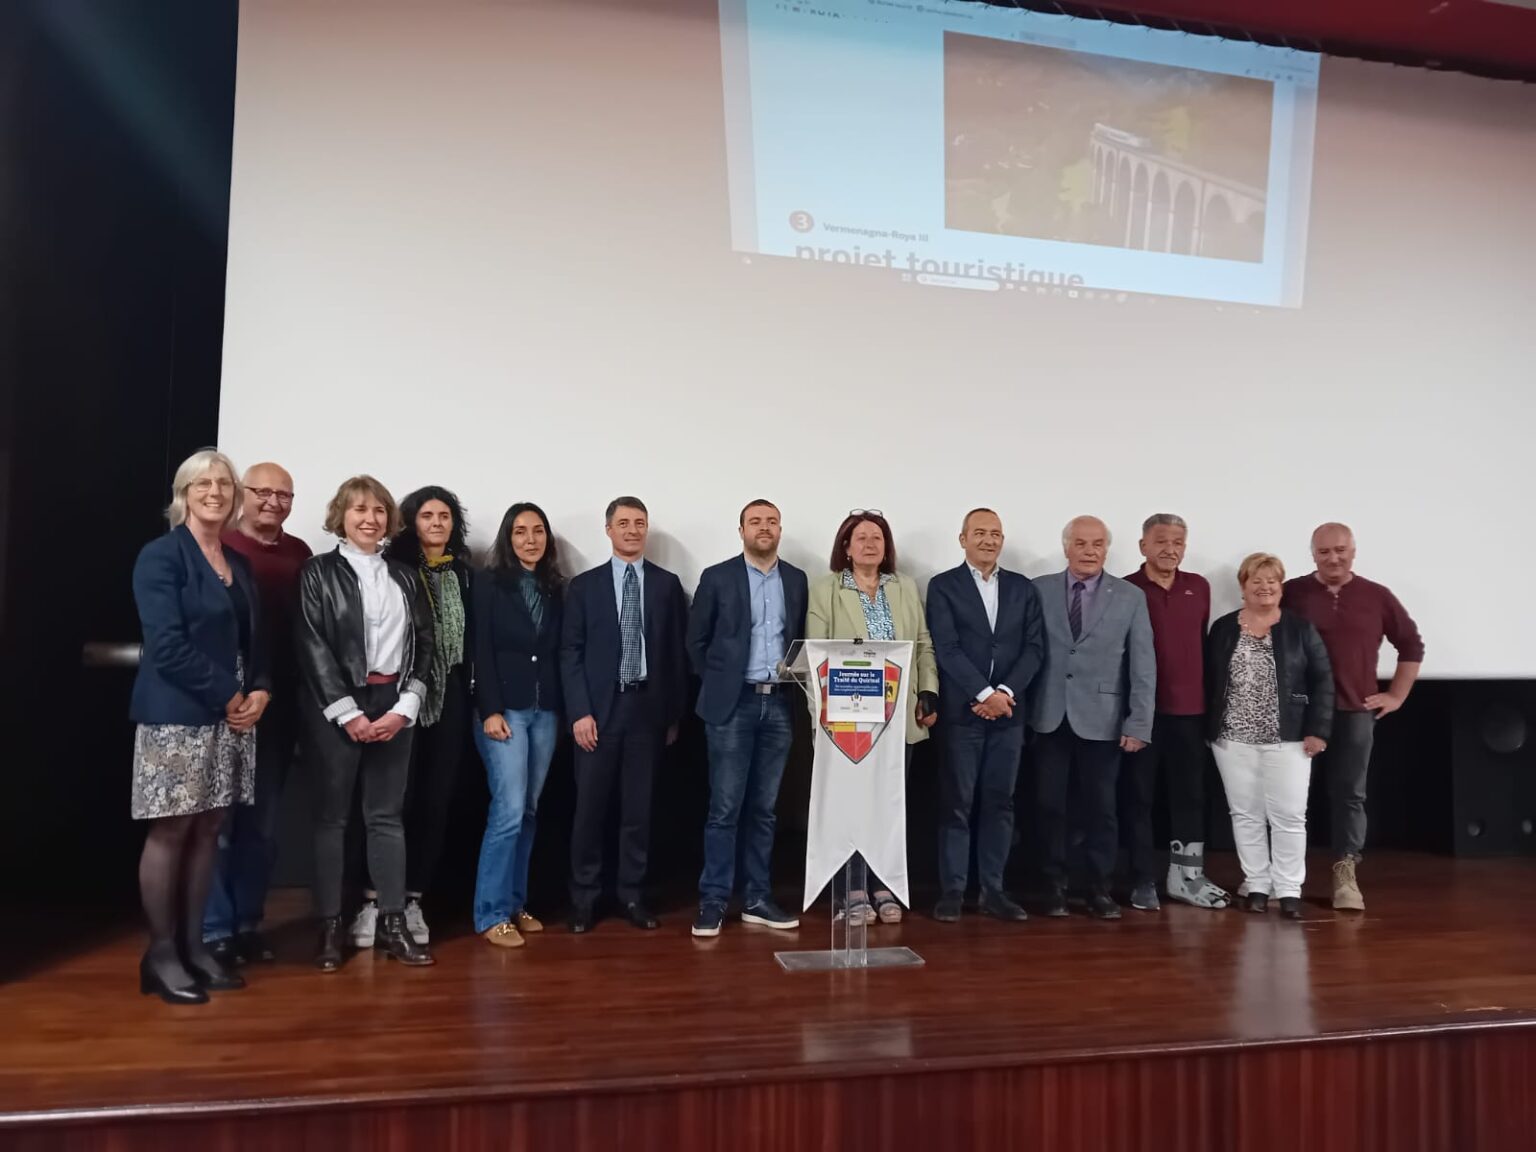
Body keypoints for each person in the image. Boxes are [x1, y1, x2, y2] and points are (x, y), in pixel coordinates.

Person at [130, 449, 268, 1004]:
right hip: (179, 711)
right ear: (183, 493)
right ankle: (161, 954)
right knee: (172, 831)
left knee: (210, 828)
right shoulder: (161, 557)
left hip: (233, 716)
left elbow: (255, 639)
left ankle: (194, 946)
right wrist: (230, 692)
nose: (215, 491)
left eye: (224, 484)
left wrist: (260, 689)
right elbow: (165, 645)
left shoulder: (241, 562)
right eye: (202, 483)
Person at [298, 476, 435, 970]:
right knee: (333, 820)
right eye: (359, 509)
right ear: (342, 515)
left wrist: (404, 708)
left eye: (378, 510)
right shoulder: (317, 572)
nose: (369, 518)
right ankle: (331, 928)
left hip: (394, 702)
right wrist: (349, 714)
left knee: (386, 818)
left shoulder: (403, 575)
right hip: (337, 706)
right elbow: (313, 647)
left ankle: (393, 925)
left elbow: (424, 644)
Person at [346, 486, 472, 949]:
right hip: (398, 697)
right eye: (427, 516)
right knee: (390, 802)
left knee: (435, 802)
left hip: (451, 698)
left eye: (445, 516)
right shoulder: (395, 572)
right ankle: (374, 899)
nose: (437, 523)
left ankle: (413, 898)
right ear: (411, 523)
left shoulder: (464, 574)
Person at [561, 496, 689, 933]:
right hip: (598, 711)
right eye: (624, 523)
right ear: (608, 530)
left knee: (639, 811)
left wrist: (672, 713)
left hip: (647, 711)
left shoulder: (667, 585)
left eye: (640, 523)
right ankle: (584, 900)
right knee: (590, 810)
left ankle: (632, 895)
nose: (633, 530)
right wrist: (579, 711)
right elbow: (570, 653)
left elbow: (675, 652)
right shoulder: (584, 586)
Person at [805, 510, 940, 925]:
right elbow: (814, 652)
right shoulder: (826, 588)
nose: (869, 544)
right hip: (846, 719)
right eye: (860, 537)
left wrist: (929, 690)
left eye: (877, 538)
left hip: (898, 714)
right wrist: (819, 715)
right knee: (851, 805)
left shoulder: (904, 587)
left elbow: (922, 643)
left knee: (888, 802)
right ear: (845, 547)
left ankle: (886, 883)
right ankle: (851, 888)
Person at [203, 462, 311, 967]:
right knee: (218, 825)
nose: (273, 501)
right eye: (263, 492)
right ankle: (215, 929)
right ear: (242, 494)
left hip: (278, 705)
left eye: (283, 494)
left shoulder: (300, 555)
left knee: (262, 828)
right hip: (221, 707)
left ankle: (247, 923)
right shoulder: (217, 547)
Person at [1283, 523, 1424, 911]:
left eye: (1341, 550)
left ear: (1354, 551)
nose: (1333, 558)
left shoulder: (1376, 596)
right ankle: (1281, 877)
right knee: (1288, 798)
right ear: (1312, 554)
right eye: (1325, 551)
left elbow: (1411, 644)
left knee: (1349, 796)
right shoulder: (1292, 592)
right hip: (1299, 713)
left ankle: (1345, 875)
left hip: (1354, 713)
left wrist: (1396, 695)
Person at [687, 499, 808, 938]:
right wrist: (719, 682)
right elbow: (696, 641)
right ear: (741, 530)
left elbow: (800, 639)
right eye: (755, 521)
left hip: (779, 704)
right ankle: (714, 900)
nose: (764, 527)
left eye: (771, 521)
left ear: (780, 529)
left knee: (766, 809)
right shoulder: (717, 577)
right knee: (724, 809)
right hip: (732, 705)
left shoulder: (796, 579)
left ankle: (758, 897)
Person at [1029, 515, 1155, 920]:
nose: (1089, 551)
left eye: (1097, 544)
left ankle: (1098, 889)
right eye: (1081, 543)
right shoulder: (1039, 590)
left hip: (1104, 720)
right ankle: (1053, 887)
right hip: (1048, 716)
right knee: (1050, 807)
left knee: (1100, 809)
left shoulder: (1131, 596)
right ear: (1066, 547)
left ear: (1107, 549)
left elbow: (1142, 665)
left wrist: (1139, 722)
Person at [925, 509, 1043, 923]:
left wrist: (1004, 694)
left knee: (1000, 803)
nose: (988, 540)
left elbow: (1034, 649)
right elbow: (947, 647)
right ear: (962, 539)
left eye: (995, 534)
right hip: (962, 713)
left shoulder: (1022, 588)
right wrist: (983, 693)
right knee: (956, 804)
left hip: (1008, 715)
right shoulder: (943, 587)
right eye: (980, 533)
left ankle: (994, 889)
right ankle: (953, 891)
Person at [1207, 553, 1334, 920]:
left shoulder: (1299, 629)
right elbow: (1212, 681)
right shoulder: (1224, 628)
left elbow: (1323, 681)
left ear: (1281, 587)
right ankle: (1258, 884)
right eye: (1256, 582)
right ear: (1243, 587)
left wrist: (1318, 731)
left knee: (1290, 815)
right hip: (1233, 738)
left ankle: (1290, 889)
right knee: (1245, 814)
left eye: (1272, 582)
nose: (1264, 588)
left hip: (1291, 738)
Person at [1121, 513, 1228, 912]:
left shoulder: (1198, 587)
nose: (1171, 549)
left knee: (1190, 798)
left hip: (1190, 712)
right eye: (1162, 541)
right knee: (1139, 800)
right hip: (1143, 715)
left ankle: (1187, 876)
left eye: (1179, 542)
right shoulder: (1128, 589)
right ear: (1143, 546)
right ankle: (1142, 879)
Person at [470, 502, 565, 948]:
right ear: (508, 538)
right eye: (521, 531)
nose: (531, 539)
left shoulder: (554, 587)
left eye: (538, 530)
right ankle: (490, 914)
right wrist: (489, 708)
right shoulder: (489, 584)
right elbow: (480, 649)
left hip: (545, 711)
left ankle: (515, 904)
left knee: (528, 811)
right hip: (503, 711)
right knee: (507, 812)